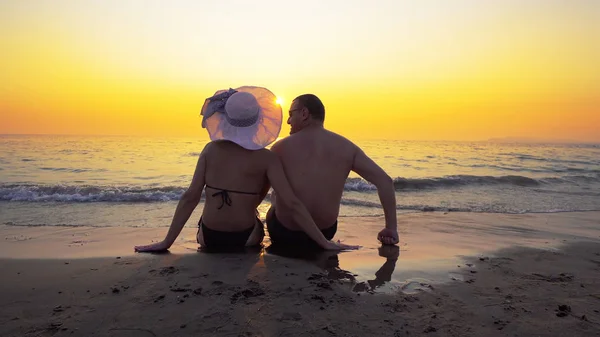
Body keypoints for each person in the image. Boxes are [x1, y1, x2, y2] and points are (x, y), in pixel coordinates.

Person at [134, 86, 357, 253]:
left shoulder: (210, 151)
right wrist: (323, 242)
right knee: (256, 215)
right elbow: (291, 202)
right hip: (246, 238)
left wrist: (166, 243)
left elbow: (190, 197)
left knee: (208, 215)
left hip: (210, 238)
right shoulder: (267, 158)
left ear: (224, 119)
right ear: (259, 120)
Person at [266, 94, 399, 247]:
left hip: (285, 232)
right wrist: (391, 228)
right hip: (326, 231)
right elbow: (385, 182)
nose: (288, 121)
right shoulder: (347, 147)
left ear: (304, 113)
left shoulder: (280, 147)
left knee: (276, 195)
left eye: (291, 115)